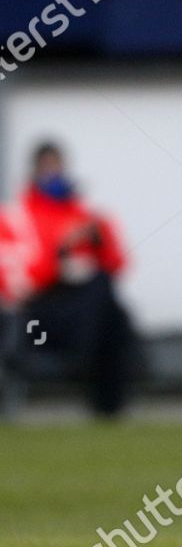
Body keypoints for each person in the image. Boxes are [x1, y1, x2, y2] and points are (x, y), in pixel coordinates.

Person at [0, 142, 137, 417]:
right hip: (38, 317)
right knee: (107, 314)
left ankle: (105, 399)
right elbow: (17, 285)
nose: (54, 174)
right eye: (47, 168)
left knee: (104, 295)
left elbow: (118, 265)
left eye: (57, 167)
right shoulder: (17, 218)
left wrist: (99, 242)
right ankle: (89, 364)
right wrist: (60, 252)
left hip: (88, 307)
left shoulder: (87, 216)